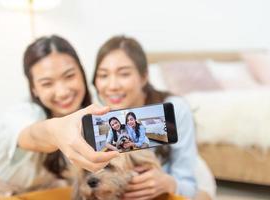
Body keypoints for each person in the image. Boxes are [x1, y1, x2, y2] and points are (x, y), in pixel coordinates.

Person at [0, 35, 118, 197]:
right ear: (34, 89)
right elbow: (32, 135)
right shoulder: (21, 115)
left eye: (69, 76)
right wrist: (56, 130)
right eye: (47, 83)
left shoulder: (96, 115)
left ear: (82, 74)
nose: (62, 92)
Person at [93, 35, 216, 200]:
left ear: (144, 77)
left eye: (124, 74)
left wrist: (168, 183)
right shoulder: (98, 119)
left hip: (188, 181)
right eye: (103, 75)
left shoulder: (174, 109)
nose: (113, 86)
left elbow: (188, 184)